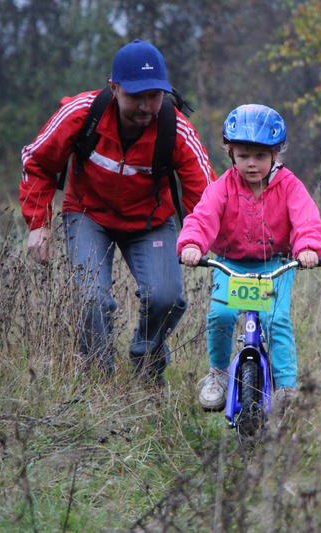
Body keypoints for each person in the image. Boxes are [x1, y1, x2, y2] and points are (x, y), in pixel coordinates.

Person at [19, 39, 216, 384]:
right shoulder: (81, 114)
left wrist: (210, 238)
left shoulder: (177, 129)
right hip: (87, 215)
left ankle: (145, 361)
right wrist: (39, 223)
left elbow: (206, 192)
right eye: (135, 96)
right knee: (91, 299)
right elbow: (37, 161)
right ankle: (98, 380)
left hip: (151, 222)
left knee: (166, 298)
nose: (145, 106)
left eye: (154, 96)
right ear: (114, 88)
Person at [177, 104, 321, 410]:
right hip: (230, 264)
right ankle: (217, 374)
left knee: (276, 319)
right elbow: (202, 218)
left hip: (275, 265)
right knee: (221, 316)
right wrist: (193, 243)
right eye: (243, 156)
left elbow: (306, 218)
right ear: (231, 154)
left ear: (275, 155)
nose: (252, 164)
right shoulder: (223, 188)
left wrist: (308, 246)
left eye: (260, 156)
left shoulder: (289, 186)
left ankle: (285, 387)